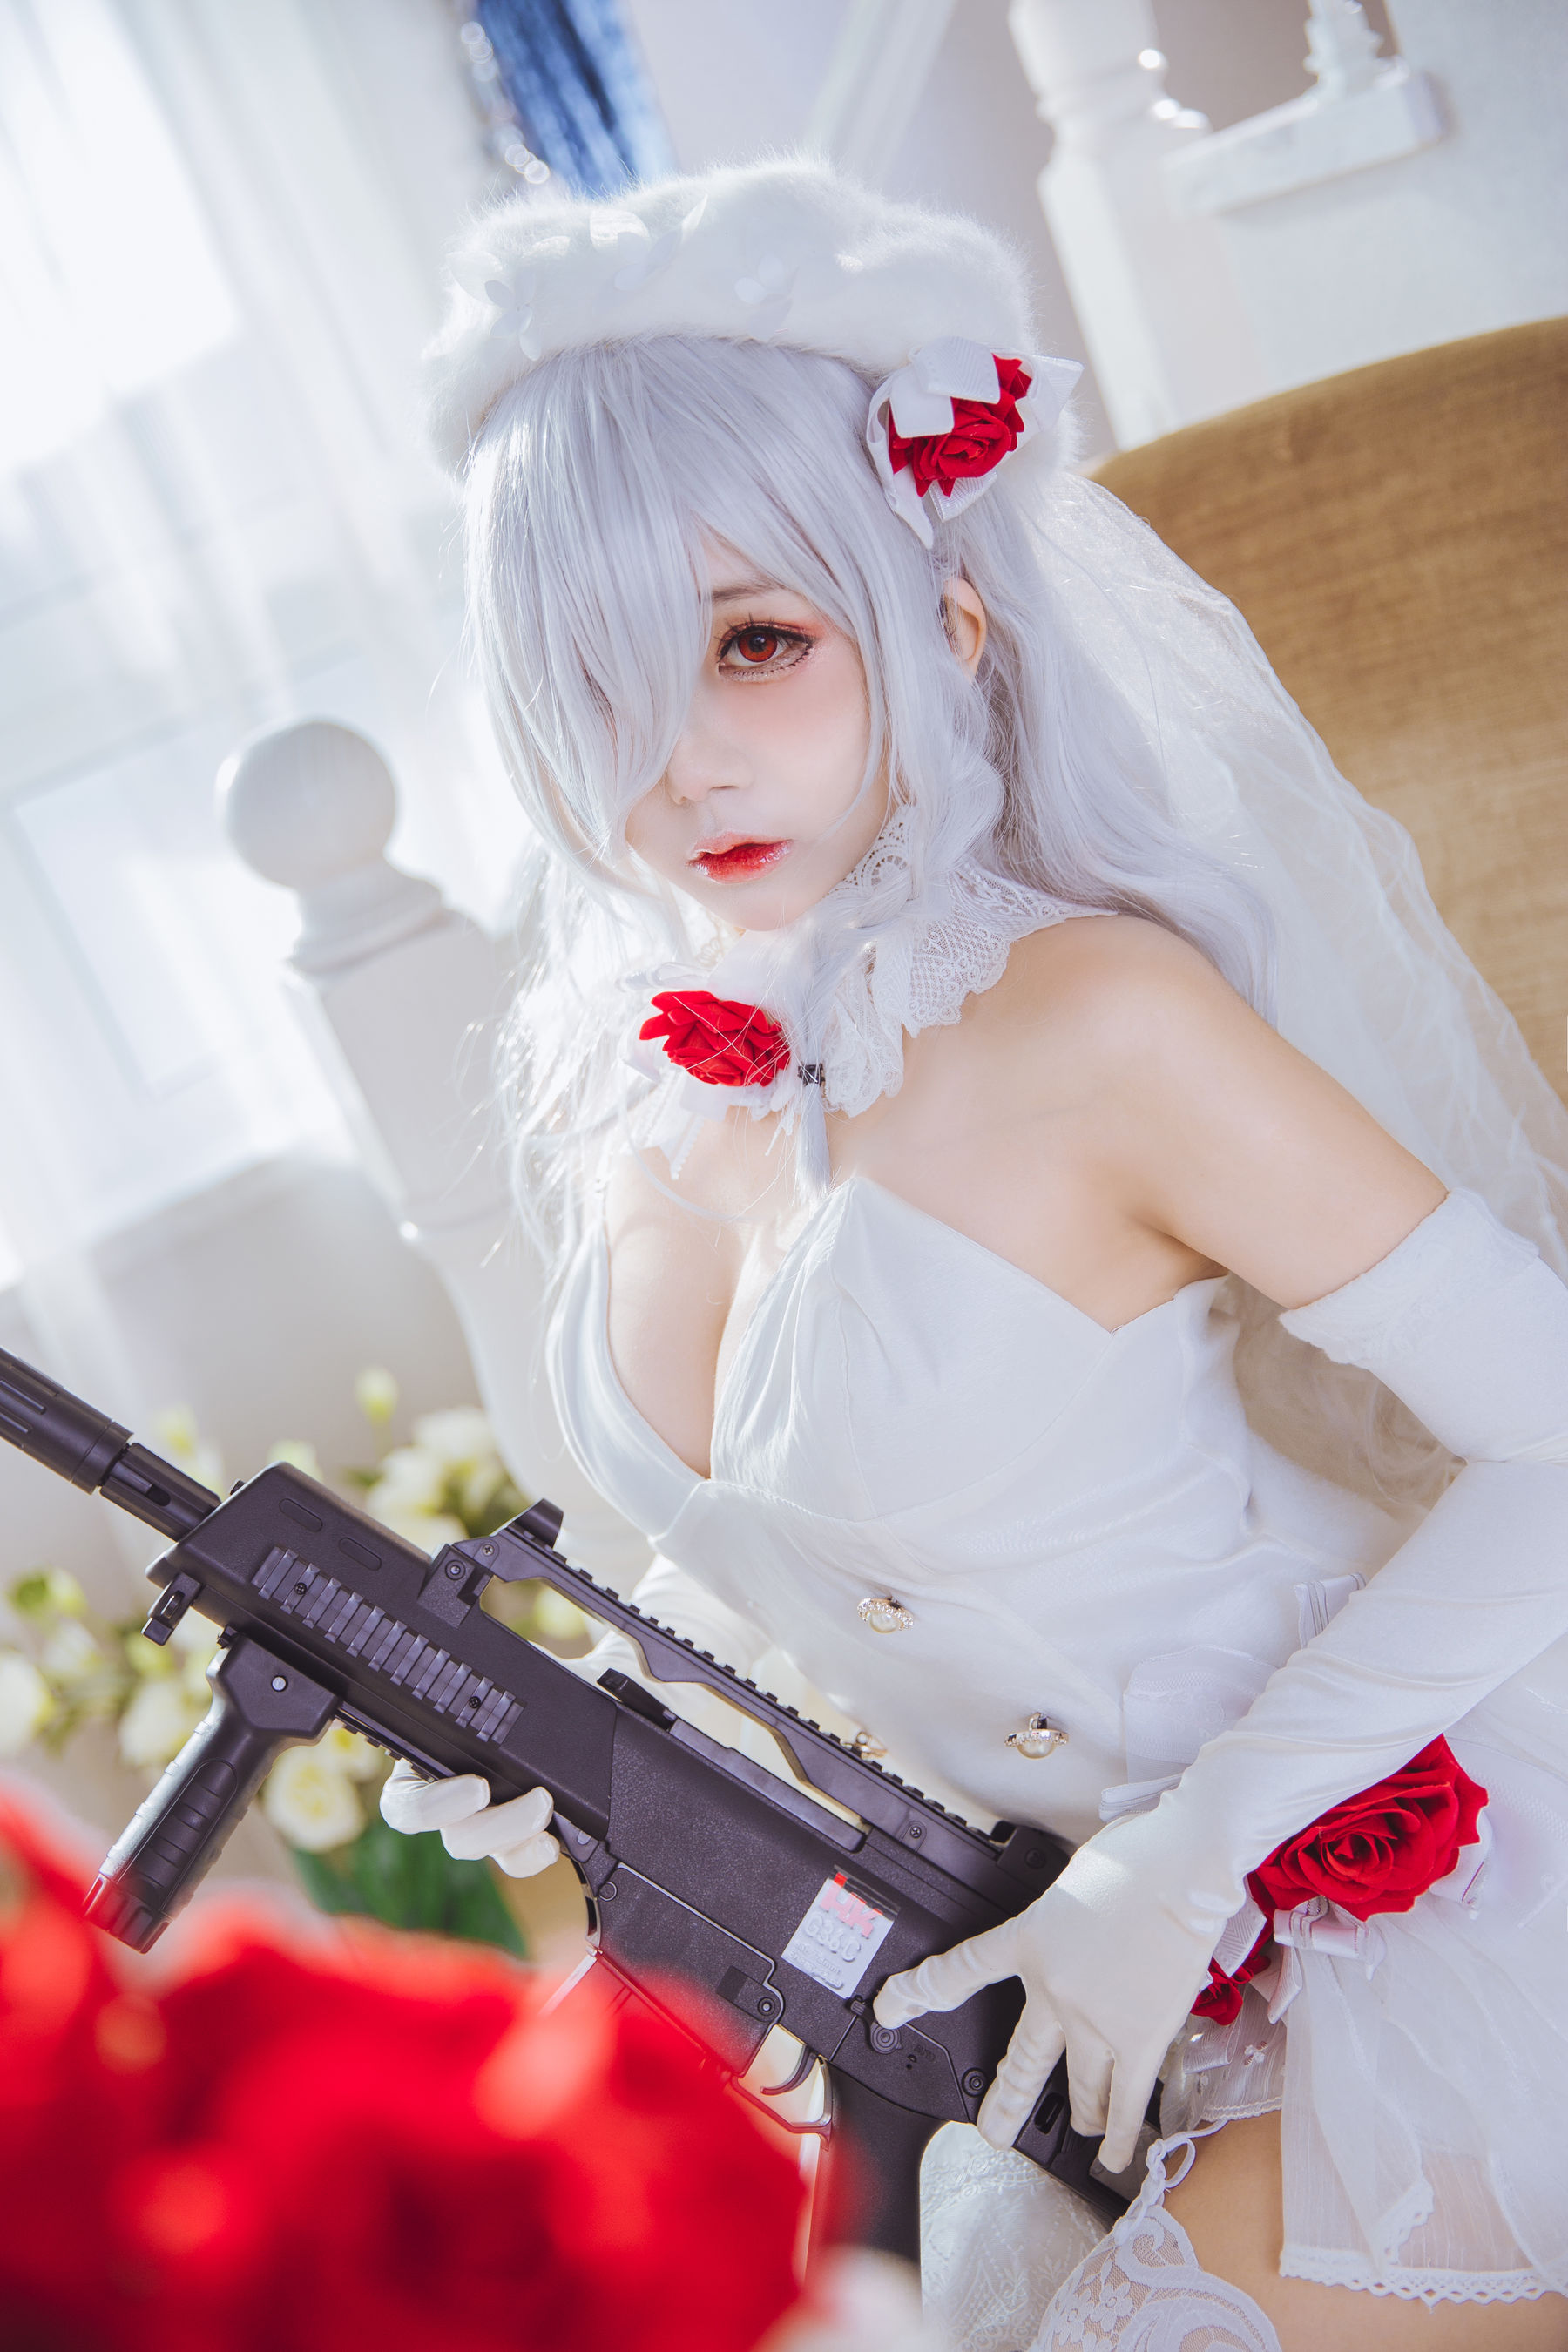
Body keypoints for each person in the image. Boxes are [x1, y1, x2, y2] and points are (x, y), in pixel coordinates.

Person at [382, 159, 1568, 2348]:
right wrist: (584, 1760)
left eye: (755, 641)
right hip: (1056, 1992)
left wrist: (1188, 1856)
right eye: (591, 676)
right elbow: (829, 1609)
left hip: (1451, 1902)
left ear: (940, 622)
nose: (679, 762)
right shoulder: (652, 1105)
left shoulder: (1093, 1018)